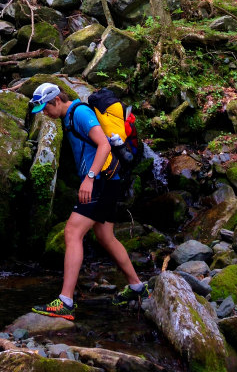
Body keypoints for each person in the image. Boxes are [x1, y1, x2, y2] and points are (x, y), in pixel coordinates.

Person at [30, 82, 148, 321]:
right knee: (106, 236)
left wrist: (90, 179)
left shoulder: (80, 113)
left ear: (56, 101)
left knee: (72, 233)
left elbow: (104, 144)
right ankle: (137, 287)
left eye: (45, 108)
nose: (44, 113)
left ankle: (65, 301)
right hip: (108, 181)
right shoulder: (69, 116)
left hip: (101, 181)